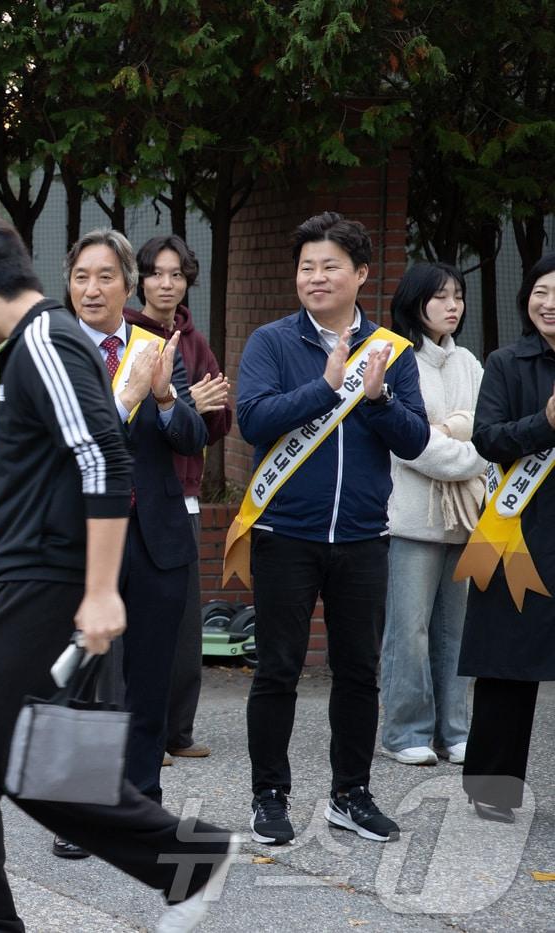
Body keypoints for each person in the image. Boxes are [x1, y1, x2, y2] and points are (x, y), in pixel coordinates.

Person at [0, 215, 237, 933]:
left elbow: (103, 458)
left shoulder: (42, 341)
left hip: (41, 586)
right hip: (33, 582)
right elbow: (23, 471)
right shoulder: (38, 348)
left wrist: (103, 590)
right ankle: (191, 859)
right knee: (32, 763)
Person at [229, 212, 428, 846]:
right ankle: (269, 795)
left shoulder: (391, 352)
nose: (315, 278)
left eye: (329, 266)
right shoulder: (272, 342)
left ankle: (351, 794)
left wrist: (377, 401)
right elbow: (254, 421)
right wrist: (325, 388)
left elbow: (417, 438)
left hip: (365, 537)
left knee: (358, 671)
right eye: (307, 267)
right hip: (286, 533)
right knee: (278, 669)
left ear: (361, 274)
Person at [49, 229, 207, 864]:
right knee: (85, 678)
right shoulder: (50, 353)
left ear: (127, 285)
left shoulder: (155, 347)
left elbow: (192, 438)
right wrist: (131, 395)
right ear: (70, 284)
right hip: (81, 540)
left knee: (150, 678)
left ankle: (141, 798)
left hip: (156, 537)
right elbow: (59, 451)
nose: (93, 288)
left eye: (105, 276)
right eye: (82, 277)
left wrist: (167, 395)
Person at [456, 252, 555, 823]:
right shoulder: (506, 362)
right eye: (541, 292)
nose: (549, 304)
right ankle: (493, 789)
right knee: (506, 668)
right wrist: (546, 421)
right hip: (517, 532)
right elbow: (489, 438)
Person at [126, 235, 233, 761]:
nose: (166, 284)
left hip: (184, 494)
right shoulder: (125, 336)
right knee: (138, 623)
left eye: (177, 275)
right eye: (156, 274)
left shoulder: (195, 342)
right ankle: (141, 731)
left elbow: (218, 423)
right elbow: (128, 418)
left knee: (183, 625)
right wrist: (185, 400)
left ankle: (176, 731)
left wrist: (198, 409)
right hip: (137, 497)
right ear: (140, 280)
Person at [379, 263, 484, 767]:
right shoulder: (398, 358)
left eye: (458, 296)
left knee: (455, 631)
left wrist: (452, 432)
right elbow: (406, 445)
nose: (452, 305)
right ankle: (405, 732)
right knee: (409, 630)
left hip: (464, 518)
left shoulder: (469, 363)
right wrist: (455, 443)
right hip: (411, 518)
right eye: (440, 296)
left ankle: (455, 730)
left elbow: (488, 433)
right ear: (416, 302)